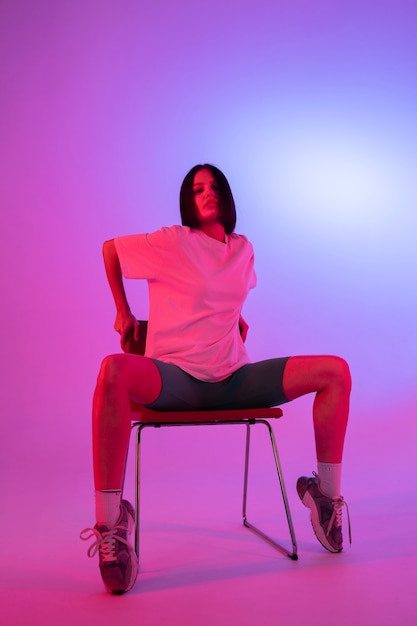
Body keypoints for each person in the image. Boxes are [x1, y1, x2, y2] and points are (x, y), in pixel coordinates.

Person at [80, 164, 352, 594]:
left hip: (233, 378)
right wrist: (123, 310)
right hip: (176, 379)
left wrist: (235, 318)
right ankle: (111, 524)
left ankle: (324, 496)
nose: (206, 194)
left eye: (213, 187)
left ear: (226, 195)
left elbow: (225, 292)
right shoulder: (174, 241)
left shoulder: (243, 249)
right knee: (112, 369)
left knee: (335, 370)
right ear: (188, 201)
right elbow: (110, 249)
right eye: (196, 189)